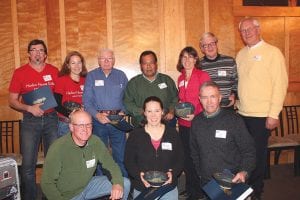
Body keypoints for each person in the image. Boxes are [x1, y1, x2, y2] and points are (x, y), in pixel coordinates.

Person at [236, 17, 288, 199]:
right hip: (242, 114)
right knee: (244, 154)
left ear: (259, 30)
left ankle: (256, 192)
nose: (247, 32)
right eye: (243, 30)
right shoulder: (240, 54)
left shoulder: (273, 53)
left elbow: (280, 85)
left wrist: (273, 114)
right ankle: (244, 190)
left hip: (261, 116)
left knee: (257, 157)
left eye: (250, 29)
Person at [8, 39, 59, 200]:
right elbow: (12, 100)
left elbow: (60, 95)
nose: (37, 53)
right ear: (29, 54)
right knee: (28, 165)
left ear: (45, 54)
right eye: (34, 50)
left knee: (53, 162)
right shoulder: (20, 72)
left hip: (51, 119)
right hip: (30, 121)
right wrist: (29, 108)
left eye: (41, 50)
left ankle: (48, 196)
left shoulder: (54, 70)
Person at [41, 110, 130, 200]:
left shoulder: (95, 142)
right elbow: (47, 183)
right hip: (67, 195)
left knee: (124, 184)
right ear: (71, 127)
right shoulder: (58, 148)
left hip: (87, 185)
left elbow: (111, 165)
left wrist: (117, 184)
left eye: (88, 125)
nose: (85, 129)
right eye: (80, 125)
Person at [190, 81, 256, 199]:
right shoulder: (196, 122)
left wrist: (244, 172)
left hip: (233, 180)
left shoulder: (233, 120)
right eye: (205, 97)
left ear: (220, 98)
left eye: (213, 97)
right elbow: (194, 153)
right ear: (199, 99)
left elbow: (249, 151)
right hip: (209, 183)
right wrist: (201, 174)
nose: (209, 102)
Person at [125, 96, 184, 199]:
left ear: (162, 112)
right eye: (149, 111)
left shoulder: (172, 134)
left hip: (167, 186)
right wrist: (139, 175)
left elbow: (180, 159)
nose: (153, 115)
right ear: (144, 113)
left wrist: (172, 173)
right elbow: (128, 162)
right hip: (142, 186)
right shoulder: (135, 135)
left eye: (157, 111)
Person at [83, 48, 128, 177]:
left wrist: (123, 111)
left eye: (110, 58)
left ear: (114, 60)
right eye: (103, 58)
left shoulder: (121, 75)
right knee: (100, 157)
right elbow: (87, 100)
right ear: (98, 61)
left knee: (120, 156)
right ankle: (102, 190)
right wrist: (97, 115)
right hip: (98, 122)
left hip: (117, 121)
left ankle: (123, 186)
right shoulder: (91, 76)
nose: (107, 61)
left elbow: (128, 98)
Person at [176, 46, 210, 199]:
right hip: (184, 125)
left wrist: (195, 114)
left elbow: (208, 99)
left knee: (199, 158)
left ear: (196, 59)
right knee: (187, 158)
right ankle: (191, 189)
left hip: (199, 123)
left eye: (190, 57)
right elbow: (182, 101)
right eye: (184, 57)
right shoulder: (180, 78)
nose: (187, 60)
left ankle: (199, 191)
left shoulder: (202, 75)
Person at [124, 50, 178, 127]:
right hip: (141, 124)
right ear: (141, 66)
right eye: (145, 63)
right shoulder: (133, 83)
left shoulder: (167, 80)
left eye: (151, 63)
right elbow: (127, 102)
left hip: (166, 123)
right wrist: (142, 112)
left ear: (156, 64)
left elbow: (175, 98)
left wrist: (171, 111)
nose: (148, 66)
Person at [199, 32, 238, 108]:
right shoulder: (198, 65)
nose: (210, 47)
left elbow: (236, 82)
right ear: (202, 49)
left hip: (227, 107)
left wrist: (234, 95)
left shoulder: (229, 61)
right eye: (206, 45)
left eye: (212, 43)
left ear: (216, 44)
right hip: (208, 108)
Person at [54, 51, 87, 136]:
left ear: (82, 64)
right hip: (66, 124)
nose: (77, 66)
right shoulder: (61, 80)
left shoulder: (87, 80)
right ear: (68, 65)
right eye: (73, 63)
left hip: (84, 123)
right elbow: (56, 104)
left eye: (79, 62)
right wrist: (70, 114)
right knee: (67, 149)